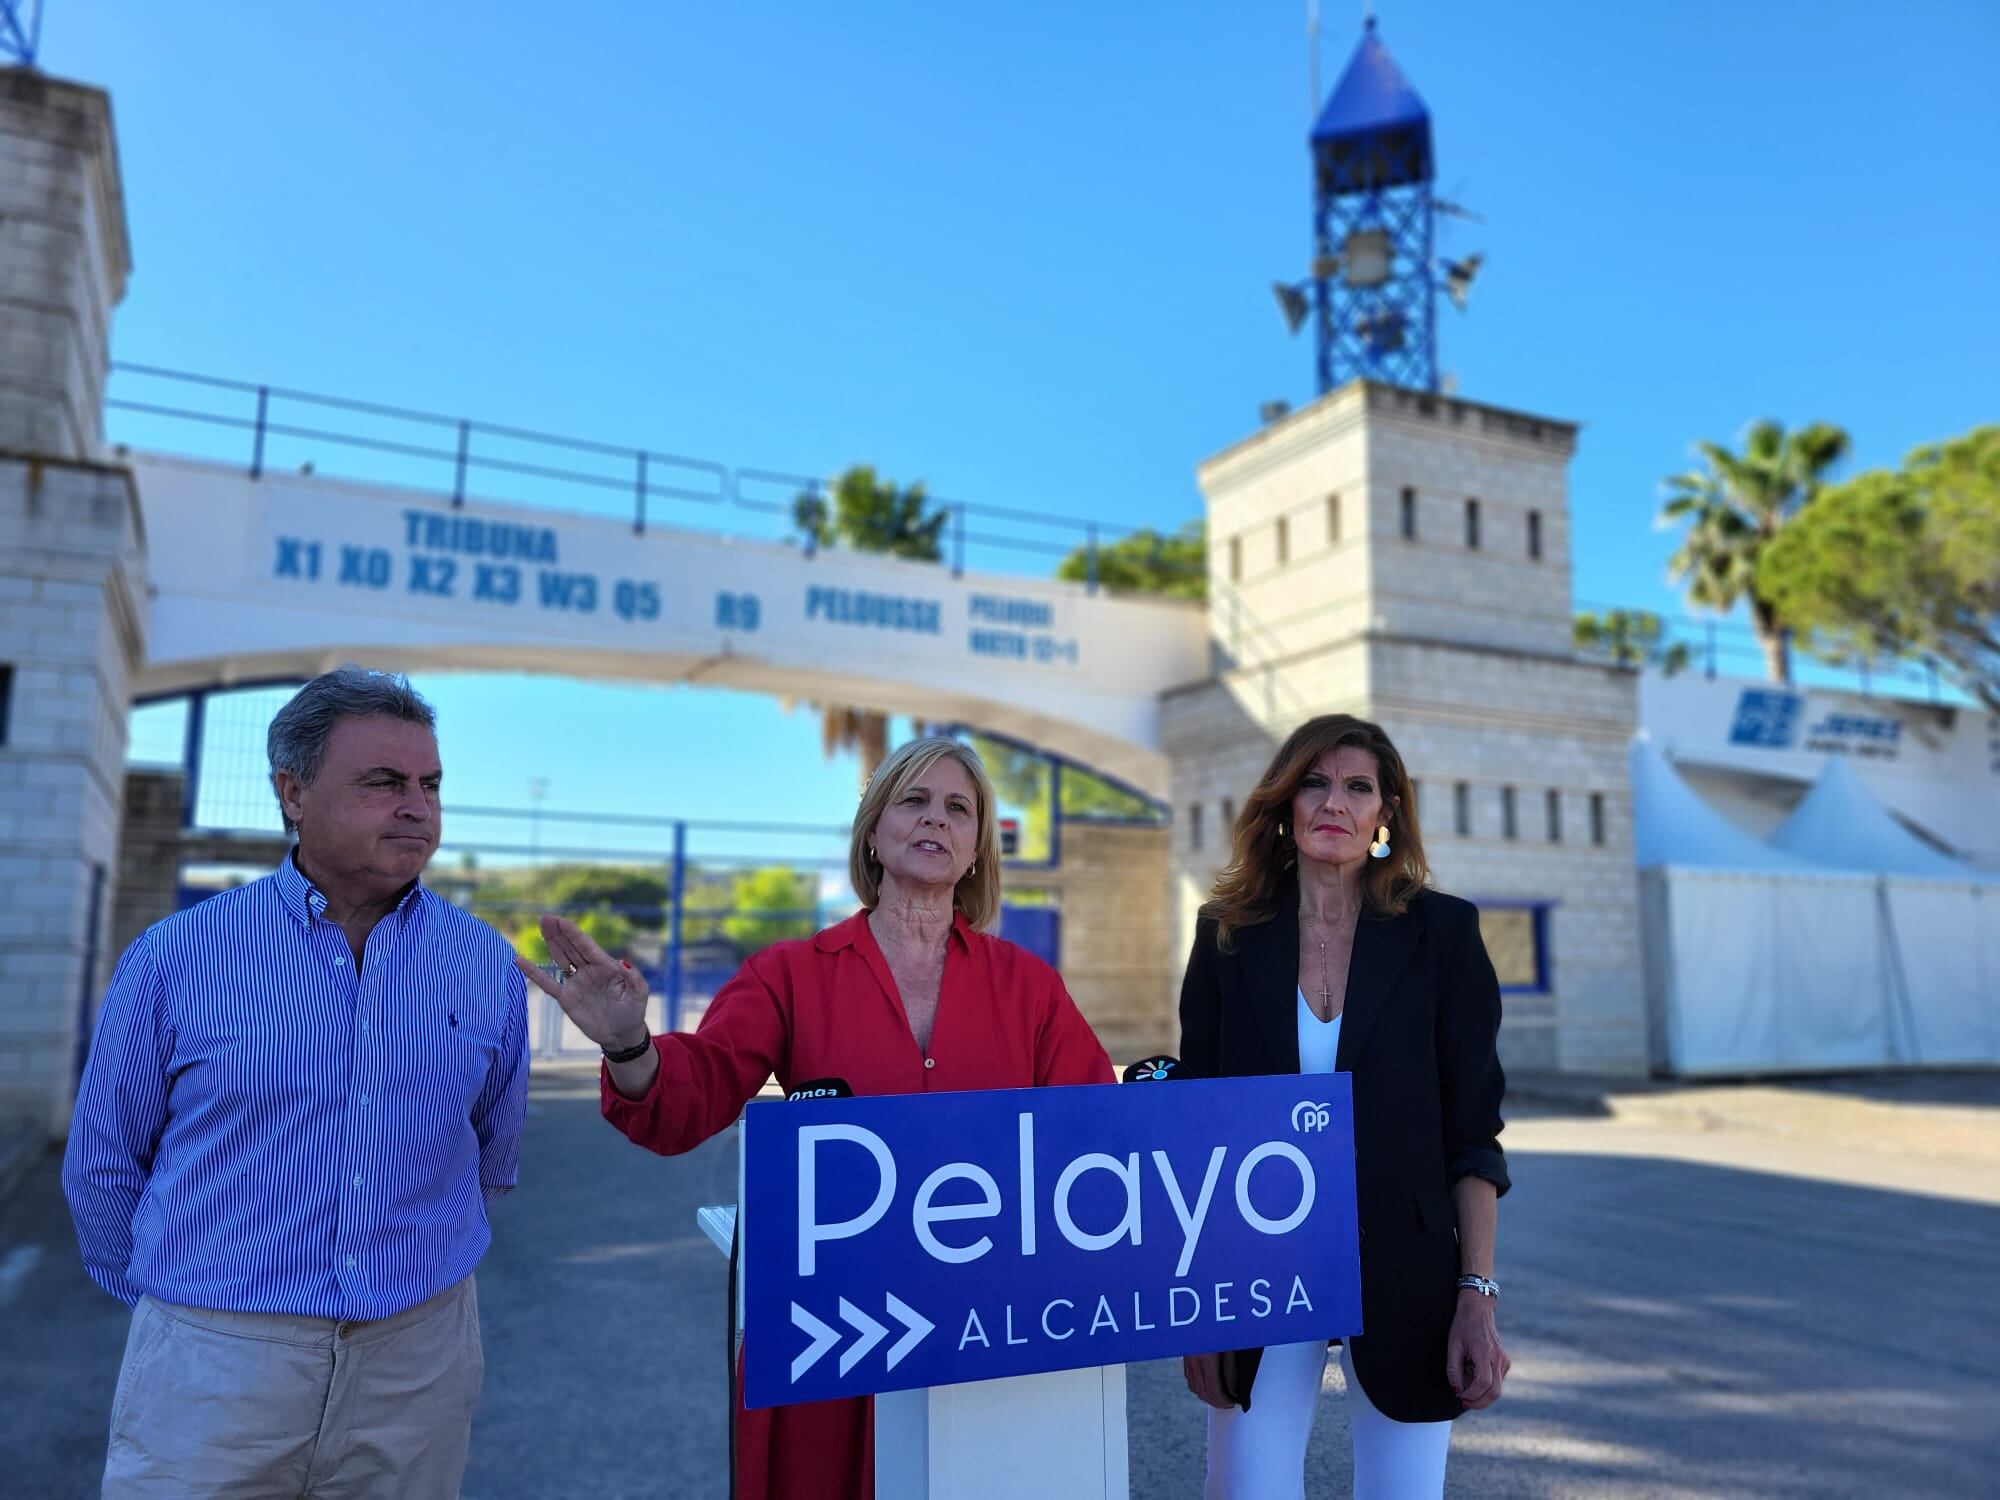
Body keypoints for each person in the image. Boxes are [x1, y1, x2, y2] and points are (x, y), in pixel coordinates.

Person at [522, 735, 1113, 1500]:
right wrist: (630, 1042)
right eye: (914, 801)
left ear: (975, 851)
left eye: (958, 808)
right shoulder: (789, 973)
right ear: (873, 831)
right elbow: (689, 1096)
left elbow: (1102, 1131)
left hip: (985, 1328)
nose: (936, 819)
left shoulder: (1029, 987)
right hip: (833, 1332)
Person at [62, 667, 529, 1499]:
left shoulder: (483, 963)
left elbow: (490, 1154)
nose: (417, 806)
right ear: (292, 791)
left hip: (416, 1364)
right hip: (213, 1367)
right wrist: (189, 1317)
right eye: (384, 783)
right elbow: (102, 1165)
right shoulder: (177, 958)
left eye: (429, 784)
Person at [1176, 714, 1510, 1500]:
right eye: (1314, 783)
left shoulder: (1446, 933)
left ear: (1387, 811)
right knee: (1247, 1490)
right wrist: (1195, 1311)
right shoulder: (1226, 935)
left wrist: (1476, 1294)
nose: (1335, 802)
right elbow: (1197, 1133)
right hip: (1259, 1270)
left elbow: (1474, 1135)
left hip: (1410, 1271)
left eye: (1358, 787)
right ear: (1284, 806)